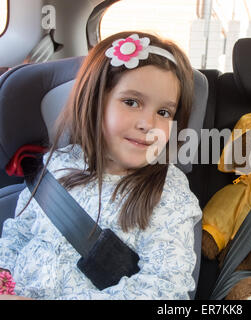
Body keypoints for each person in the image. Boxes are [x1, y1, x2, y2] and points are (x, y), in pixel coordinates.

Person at [0, 31, 202, 300]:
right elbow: (20, 233)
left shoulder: (168, 192)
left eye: (163, 112)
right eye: (132, 102)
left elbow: (165, 288)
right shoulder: (56, 165)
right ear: (95, 102)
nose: (148, 124)